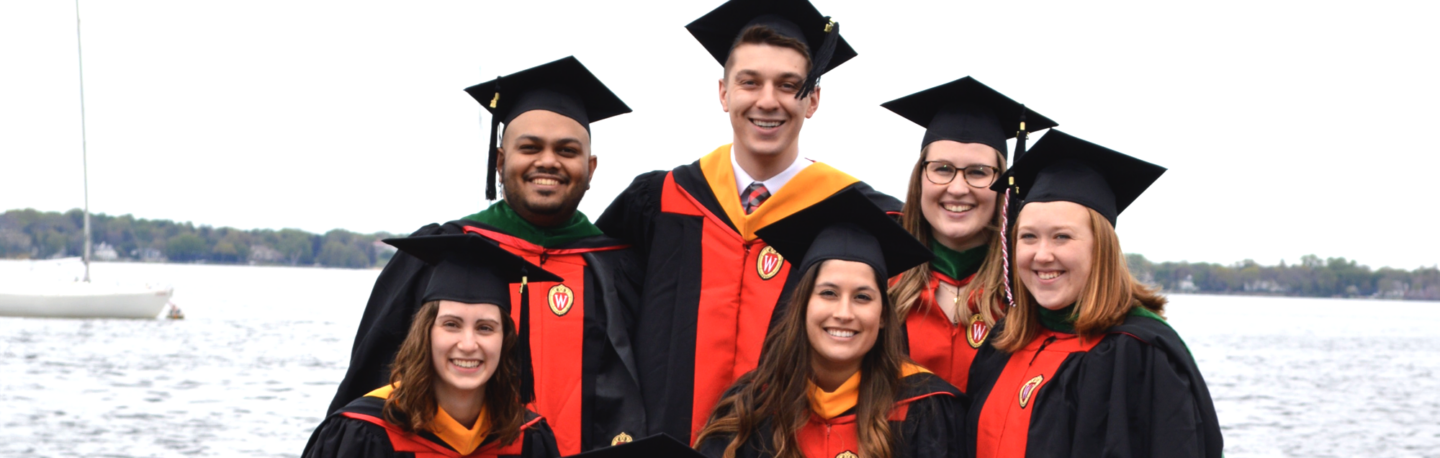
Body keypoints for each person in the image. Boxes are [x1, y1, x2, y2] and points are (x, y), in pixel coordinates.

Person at [596, 0, 900, 443]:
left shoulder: (860, 216)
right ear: (723, 92)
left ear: (813, 99)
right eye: (749, 83)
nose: (767, 101)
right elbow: (603, 329)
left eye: (788, 85)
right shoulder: (659, 203)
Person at [328, 56, 646, 455]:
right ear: (500, 161)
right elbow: (371, 388)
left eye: (566, 150)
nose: (547, 161)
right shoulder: (440, 254)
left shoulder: (621, 270)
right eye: (530, 147)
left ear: (591, 167)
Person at [965, 130, 1223, 457]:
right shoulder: (1004, 342)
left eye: (1062, 237)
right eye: (1029, 237)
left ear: (1100, 248)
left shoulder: (1139, 355)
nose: (1042, 255)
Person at [694, 189, 964, 458]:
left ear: (882, 315)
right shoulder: (751, 407)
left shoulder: (925, 409)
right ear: (803, 306)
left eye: (862, 297)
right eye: (828, 293)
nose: (844, 313)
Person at [304, 234, 562, 458]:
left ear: (505, 340)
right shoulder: (364, 433)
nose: (468, 344)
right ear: (424, 333)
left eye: (485, 328)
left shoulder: (528, 439)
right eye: (451, 324)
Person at [878, 77, 1056, 392]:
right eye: (942, 168)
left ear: (1004, 184)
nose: (958, 189)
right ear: (921, 176)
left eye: (978, 172)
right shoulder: (879, 277)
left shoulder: (1029, 287)